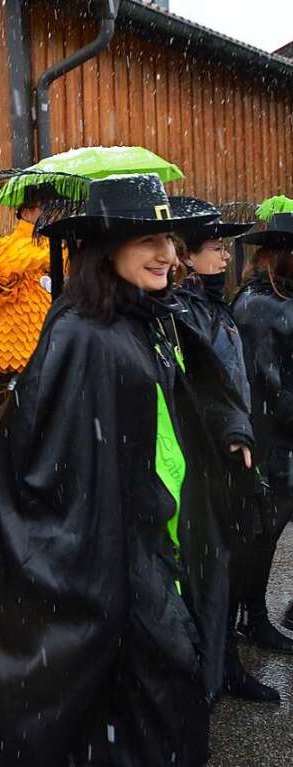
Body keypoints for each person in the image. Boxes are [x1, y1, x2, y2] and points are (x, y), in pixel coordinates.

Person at [0, 175, 253, 766]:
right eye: (148, 240)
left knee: (161, 703)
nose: (167, 254)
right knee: (135, 711)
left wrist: (227, 439)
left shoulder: (146, 319)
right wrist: (98, 571)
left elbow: (192, 397)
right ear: (108, 248)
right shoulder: (84, 333)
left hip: (155, 552)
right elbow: (41, 468)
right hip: (115, 564)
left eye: (171, 240)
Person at [170, 199, 276, 702]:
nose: (223, 257)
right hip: (206, 458)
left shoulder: (214, 303)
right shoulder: (183, 310)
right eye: (214, 248)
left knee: (229, 561)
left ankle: (226, 663)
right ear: (186, 257)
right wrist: (229, 432)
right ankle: (208, 673)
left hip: (234, 454)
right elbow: (201, 388)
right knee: (206, 570)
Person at [231, 210, 293, 653]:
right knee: (260, 535)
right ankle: (251, 618)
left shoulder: (275, 302)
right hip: (269, 440)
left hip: (280, 437)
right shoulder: (259, 307)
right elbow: (271, 384)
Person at [0, 184, 62, 433]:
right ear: (27, 210)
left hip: (54, 367)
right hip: (16, 373)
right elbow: (8, 265)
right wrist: (56, 253)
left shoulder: (59, 248)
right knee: (8, 456)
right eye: (48, 206)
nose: (54, 213)